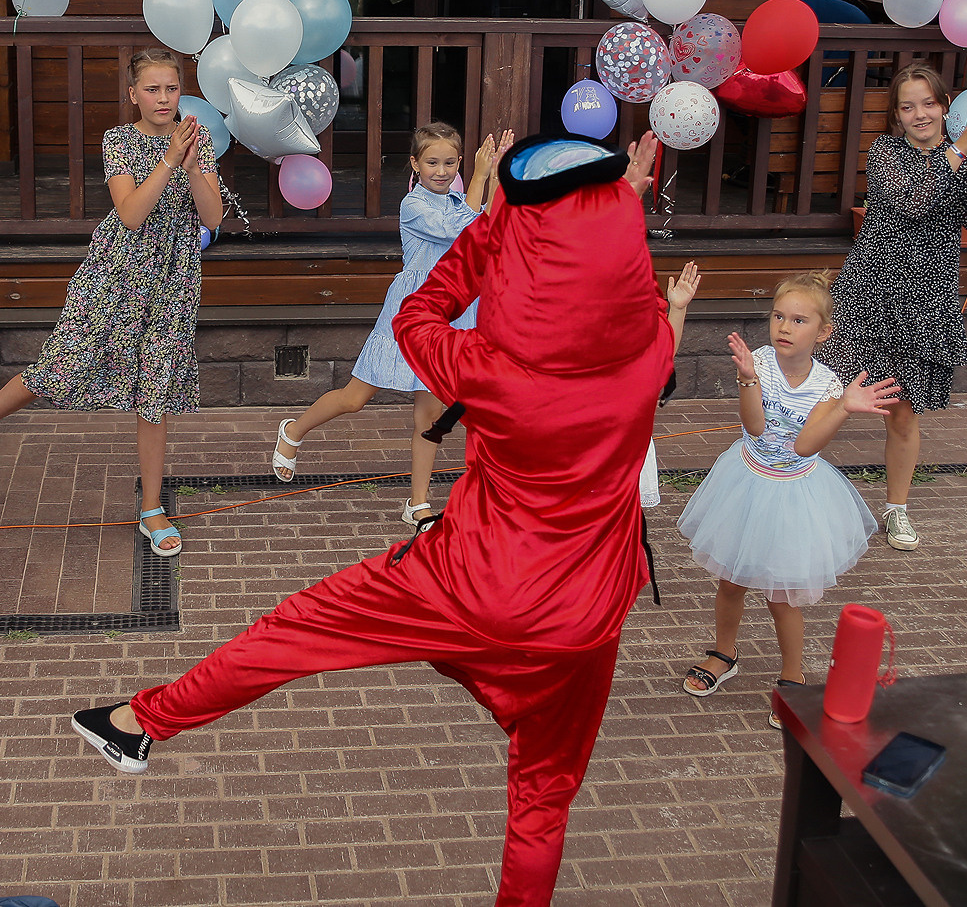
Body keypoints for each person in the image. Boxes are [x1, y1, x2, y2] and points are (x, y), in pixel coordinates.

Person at [67, 133, 677, 907]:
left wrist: (493, 224)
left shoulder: (486, 367)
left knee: (294, 633)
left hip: (468, 585)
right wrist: (619, 198)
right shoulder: (649, 352)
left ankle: (139, 721)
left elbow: (418, 312)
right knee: (542, 799)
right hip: (583, 615)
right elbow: (627, 290)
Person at [0, 49, 224, 558]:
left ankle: (151, 508)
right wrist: (169, 161)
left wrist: (195, 166)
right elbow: (130, 213)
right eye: (151, 89)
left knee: (155, 388)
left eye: (170, 89)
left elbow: (213, 217)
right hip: (117, 271)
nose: (162, 99)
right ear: (133, 94)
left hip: (173, 278)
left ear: (181, 91)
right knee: (63, 362)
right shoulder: (118, 140)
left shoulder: (197, 140)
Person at [675, 271, 898, 726]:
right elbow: (755, 427)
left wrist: (841, 408)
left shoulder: (831, 385)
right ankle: (724, 653)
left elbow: (804, 445)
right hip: (745, 481)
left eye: (799, 320)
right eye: (779, 316)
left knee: (782, 594)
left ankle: (792, 676)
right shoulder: (758, 361)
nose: (784, 327)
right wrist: (748, 379)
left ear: (823, 332)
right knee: (731, 580)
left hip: (796, 492)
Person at [269, 122, 512, 524]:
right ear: (414, 164)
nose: (442, 170)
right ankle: (293, 430)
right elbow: (462, 232)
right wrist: (482, 177)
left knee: (429, 416)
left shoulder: (457, 200)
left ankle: (417, 502)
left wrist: (499, 175)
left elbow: (487, 225)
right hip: (411, 314)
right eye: (432, 162)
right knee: (354, 398)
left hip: (451, 316)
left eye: (450, 162)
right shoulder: (414, 205)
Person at [825, 63, 967, 551]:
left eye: (929, 103)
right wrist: (960, 148)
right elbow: (910, 201)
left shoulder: (966, 159)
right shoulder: (886, 154)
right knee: (825, 395)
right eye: (908, 107)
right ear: (897, 117)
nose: (920, 114)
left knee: (902, 412)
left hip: (926, 302)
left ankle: (897, 509)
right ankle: (785, 477)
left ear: (946, 106)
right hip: (870, 293)